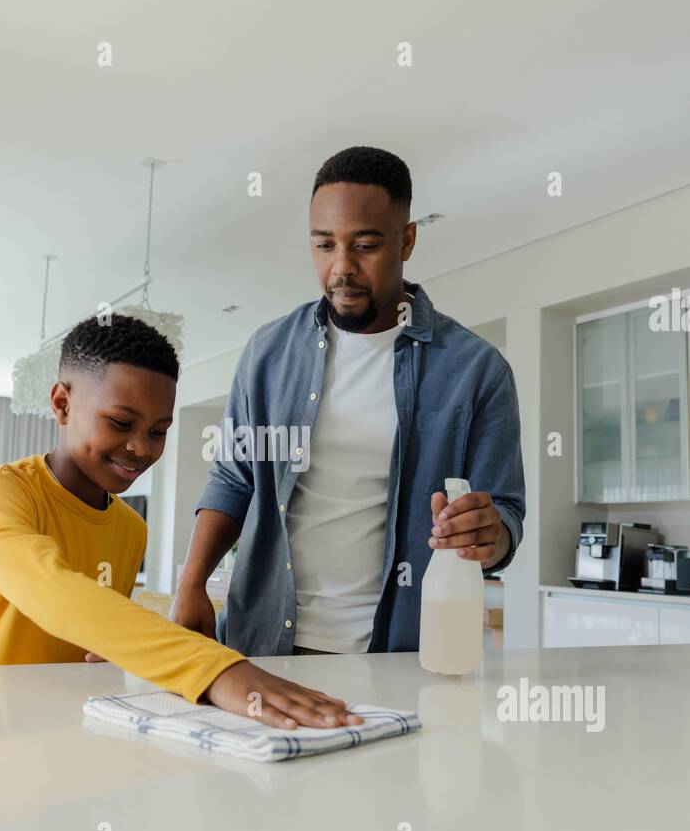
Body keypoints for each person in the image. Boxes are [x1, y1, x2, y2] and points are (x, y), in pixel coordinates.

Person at [0, 314, 363, 731]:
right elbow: (54, 592)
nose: (141, 449)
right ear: (62, 403)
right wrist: (215, 668)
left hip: (49, 726)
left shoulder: (131, 529)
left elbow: (91, 631)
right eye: (121, 422)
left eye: (158, 431)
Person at [173, 145, 525, 655]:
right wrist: (191, 583)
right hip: (262, 645)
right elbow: (234, 478)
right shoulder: (269, 353)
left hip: (402, 653)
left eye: (364, 245)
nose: (341, 268)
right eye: (324, 245)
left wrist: (492, 535)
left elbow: (505, 515)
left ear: (406, 240)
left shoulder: (477, 371)